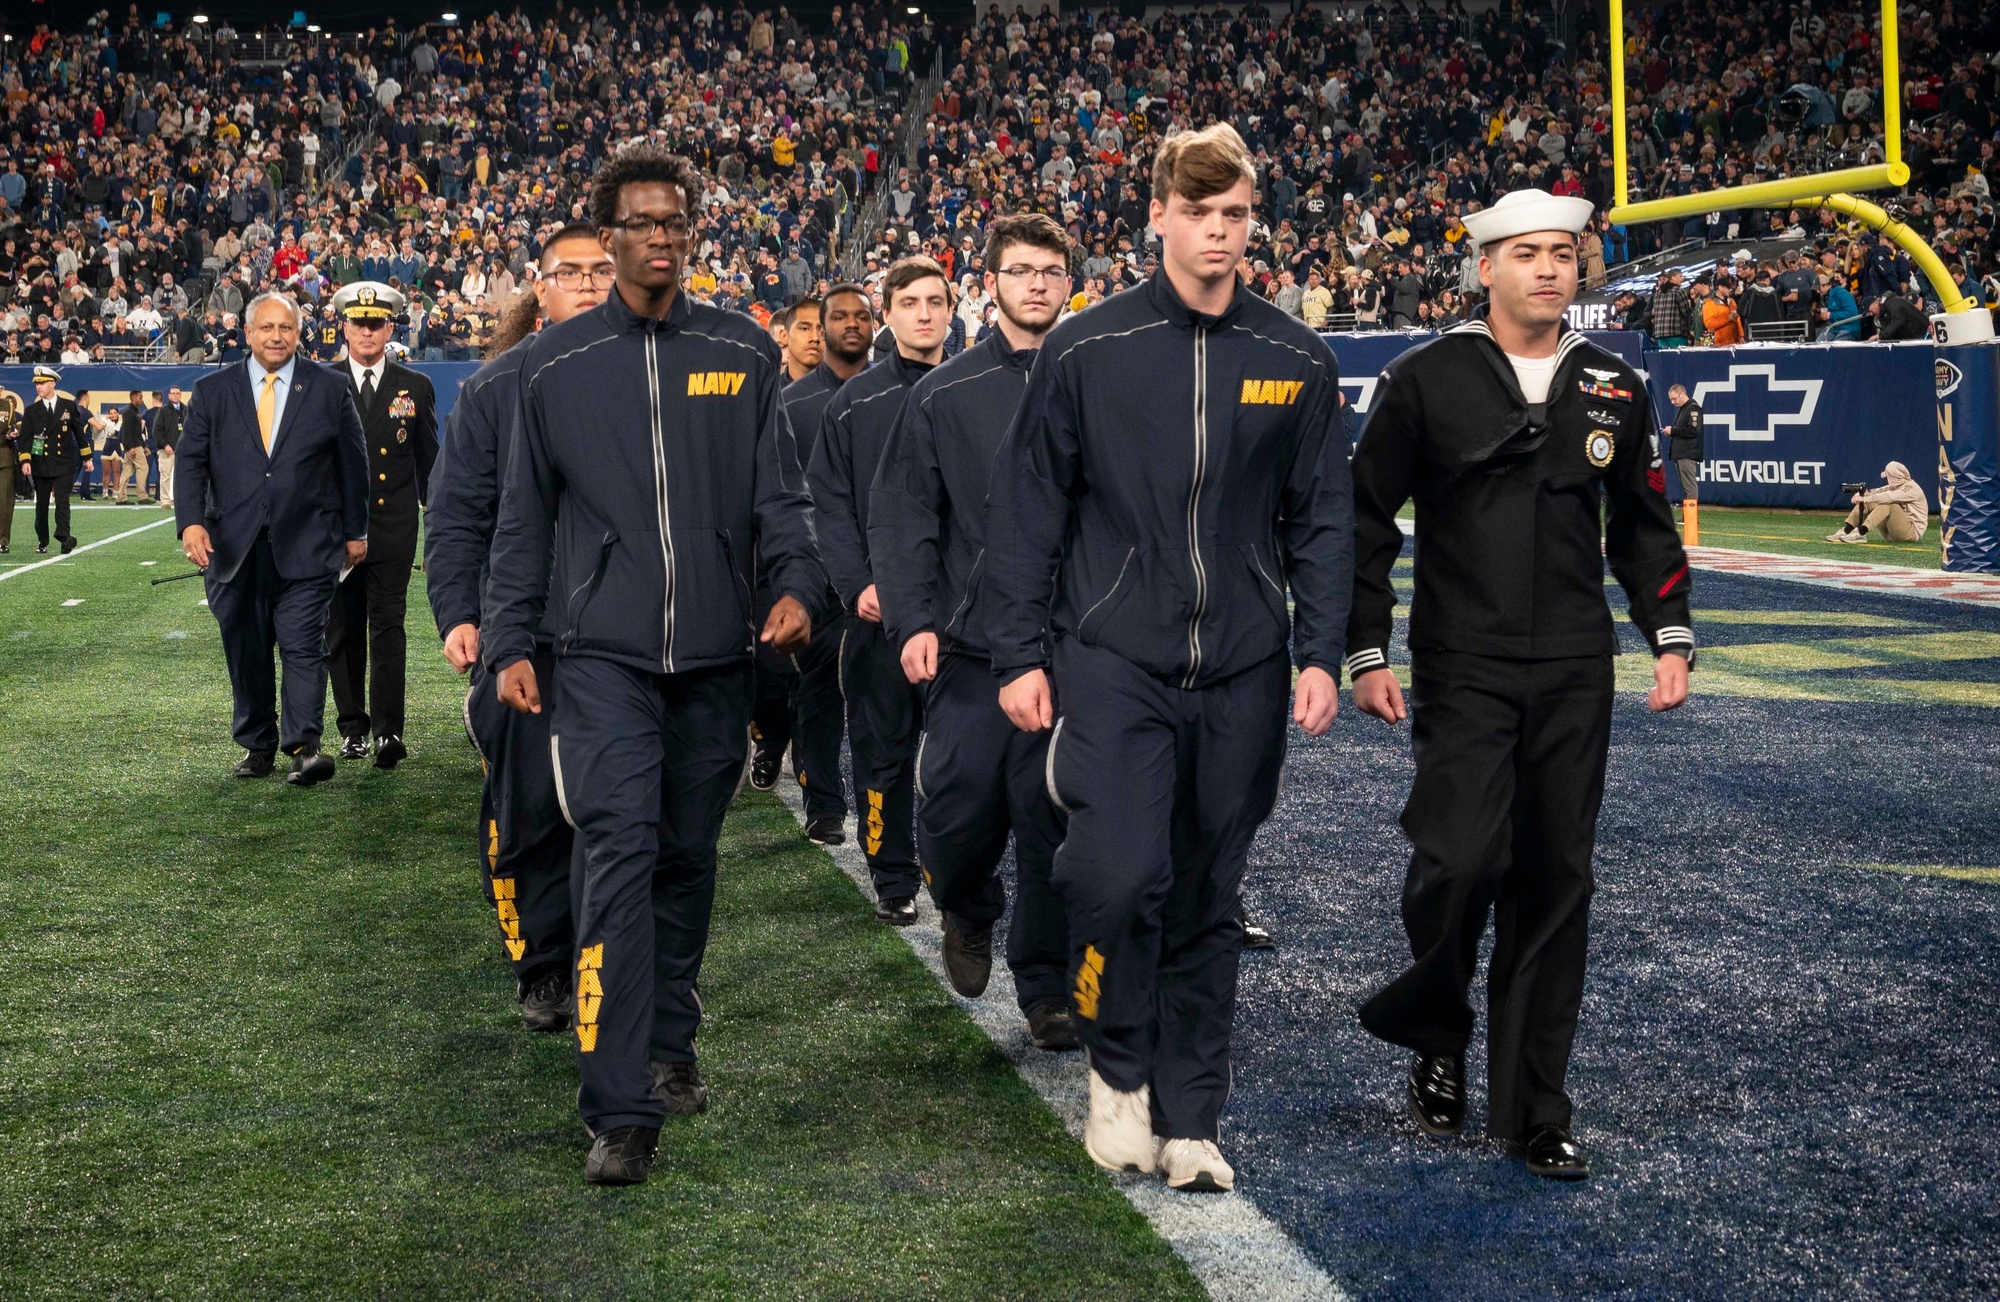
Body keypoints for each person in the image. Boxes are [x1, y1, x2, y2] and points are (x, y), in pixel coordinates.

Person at [985, 123, 1353, 1194]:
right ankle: (1115, 1073)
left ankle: (1189, 1117)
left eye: (1234, 214)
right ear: (1156, 216)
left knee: (1206, 893)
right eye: (1197, 214)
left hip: (1241, 669)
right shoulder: (1085, 349)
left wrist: (1319, 649)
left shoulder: (1296, 357)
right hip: (1111, 658)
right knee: (1115, 875)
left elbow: (1320, 521)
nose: (1217, 234)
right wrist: (1017, 651)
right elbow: (1027, 513)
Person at [482, 146, 826, 1186]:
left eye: (676, 221)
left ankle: (672, 1040)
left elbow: (782, 498)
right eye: (641, 223)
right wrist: (508, 639)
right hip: (599, 660)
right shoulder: (551, 366)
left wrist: (799, 585)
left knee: (686, 857)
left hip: (719, 657)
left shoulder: (743, 348)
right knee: (617, 856)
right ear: (609, 235)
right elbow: (520, 521)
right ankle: (619, 1104)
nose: (661, 237)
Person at [1345, 188, 1694, 1183]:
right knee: (1456, 862)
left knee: (1555, 881)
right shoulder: (1423, 380)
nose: (1549, 267)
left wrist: (1667, 635)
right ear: (1484, 267)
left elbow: (1639, 525)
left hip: (1575, 669)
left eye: (1563, 252)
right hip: (1461, 665)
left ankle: (1534, 1109)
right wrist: (1364, 649)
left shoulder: (1612, 388)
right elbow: (1363, 520)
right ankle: (1436, 1032)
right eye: (1526, 253)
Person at [868, 213, 1076, 1049]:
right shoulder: (941, 396)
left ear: (1069, 282)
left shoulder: (1097, 380)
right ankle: (966, 903)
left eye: (1051, 270)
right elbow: (905, 516)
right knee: (954, 816)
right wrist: (914, 619)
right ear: (991, 285)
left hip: (1073, 652)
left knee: (1053, 820)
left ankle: (1048, 987)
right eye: (1020, 270)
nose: (1036, 284)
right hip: (973, 650)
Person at [426, 223, 613, 1033]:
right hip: (524, 631)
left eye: (602, 270)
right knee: (531, 804)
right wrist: (460, 614)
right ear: (540, 287)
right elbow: (459, 515)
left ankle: (633, 964)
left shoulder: (655, 373)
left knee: (632, 811)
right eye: (571, 272)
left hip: (627, 632)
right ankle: (542, 964)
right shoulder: (495, 390)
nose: (590, 284)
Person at [806, 257, 954, 925]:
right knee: (884, 753)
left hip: (966, 620)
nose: (924, 314)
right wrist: (858, 583)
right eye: (909, 303)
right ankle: (893, 876)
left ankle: (956, 873)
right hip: (879, 618)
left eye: (935, 301)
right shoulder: (852, 404)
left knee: (966, 763)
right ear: (886, 317)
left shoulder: (978, 388)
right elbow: (827, 505)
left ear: (952, 311)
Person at [175, 292, 370, 785]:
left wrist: (355, 531)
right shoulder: (212, 390)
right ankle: (257, 744)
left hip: (309, 541)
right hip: (232, 547)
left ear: (299, 332)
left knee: (304, 643)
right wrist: (190, 522)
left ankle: (305, 745)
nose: (276, 336)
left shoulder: (329, 387)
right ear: (247, 333)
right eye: (266, 328)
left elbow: (353, 463)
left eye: (285, 327)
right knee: (247, 649)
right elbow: (192, 462)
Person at [760, 283, 876, 846]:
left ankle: (886, 819)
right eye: (839, 317)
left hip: (894, 576)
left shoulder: (906, 395)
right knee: (820, 693)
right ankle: (825, 804)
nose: (851, 325)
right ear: (818, 329)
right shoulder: (792, 406)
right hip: (822, 580)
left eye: (863, 315)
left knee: (888, 707)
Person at [327, 281, 439, 768]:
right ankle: (352, 727)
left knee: (389, 627)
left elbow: (428, 460)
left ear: (389, 327)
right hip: (337, 526)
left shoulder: (415, 387)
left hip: (393, 525)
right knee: (343, 628)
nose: (367, 332)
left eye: (376, 323)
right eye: (359, 323)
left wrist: (442, 517)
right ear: (345, 327)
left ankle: (389, 733)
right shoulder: (322, 383)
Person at [20, 365, 88, 554]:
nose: (38, 387)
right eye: (37, 384)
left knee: (62, 501)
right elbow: (25, 438)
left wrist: (87, 456)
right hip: (41, 464)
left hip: (64, 463)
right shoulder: (32, 410)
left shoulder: (68, 406)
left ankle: (64, 537)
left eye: (42, 383)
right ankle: (43, 540)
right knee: (41, 506)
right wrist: (25, 460)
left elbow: (79, 432)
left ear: (53, 383)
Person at [1826, 461, 1929, 543]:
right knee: (1870, 499)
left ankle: (1861, 532)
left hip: (1911, 533)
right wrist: (1863, 495)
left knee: (1888, 503)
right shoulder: (1894, 486)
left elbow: (1888, 497)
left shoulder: (1911, 489)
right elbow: (1877, 492)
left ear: (1894, 477)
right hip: (1891, 533)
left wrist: (1865, 498)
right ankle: (1847, 530)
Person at [1663, 384, 1704, 508]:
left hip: (1687, 454)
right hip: (1681, 453)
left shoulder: (1693, 409)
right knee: (1686, 487)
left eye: (1674, 398)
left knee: (1690, 487)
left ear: (1682, 394)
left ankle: (1690, 519)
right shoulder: (1683, 408)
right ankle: (1687, 517)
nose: (1672, 402)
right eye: (1671, 399)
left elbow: (1694, 431)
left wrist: (1673, 431)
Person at [154, 388, 186, 510]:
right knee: (165, 476)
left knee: (183, 476)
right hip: (167, 450)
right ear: (169, 395)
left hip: (182, 450)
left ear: (180, 395)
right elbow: (157, 431)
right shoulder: (163, 411)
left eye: (177, 393)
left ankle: (182, 500)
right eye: (173, 393)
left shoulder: (185, 411)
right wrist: (164, 444)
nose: (175, 395)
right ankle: (165, 501)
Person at [118, 392, 152, 504]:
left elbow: (137, 432)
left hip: (135, 444)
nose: (142, 399)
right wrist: (130, 447)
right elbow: (126, 431)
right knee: (143, 468)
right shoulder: (129, 412)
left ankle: (121, 498)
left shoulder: (135, 411)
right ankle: (142, 496)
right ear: (133, 398)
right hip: (133, 446)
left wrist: (144, 446)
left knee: (127, 470)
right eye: (140, 397)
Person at [0, 396, 18, 552]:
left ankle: (3, 540)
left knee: (5, 502)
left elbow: (13, 426)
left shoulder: (8, 406)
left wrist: (13, 433)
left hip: (4, 457)